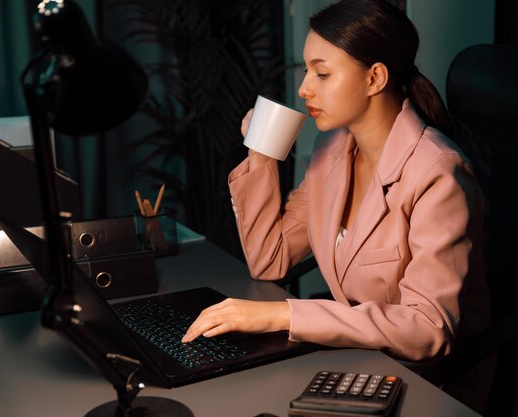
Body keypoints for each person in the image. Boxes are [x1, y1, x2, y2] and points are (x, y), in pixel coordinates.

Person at [183, 0, 492, 411]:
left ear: (375, 77)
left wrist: (282, 316)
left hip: (427, 385)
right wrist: (261, 154)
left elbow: (427, 328)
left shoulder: (438, 173)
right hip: (355, 361)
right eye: (308, 70)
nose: (304, 88)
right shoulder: (331, 149)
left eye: (322, 73)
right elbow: (270, 260)